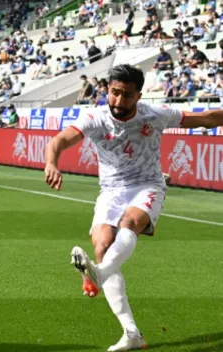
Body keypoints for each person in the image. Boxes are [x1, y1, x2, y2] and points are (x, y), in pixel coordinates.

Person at [44, 64, 223, 351]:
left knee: (129, 225)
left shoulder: (156, 114)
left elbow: (206, 118)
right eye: (114, 93)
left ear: (139, 95)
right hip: (111, 191)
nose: (118, 100)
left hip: (147, 186)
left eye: (126, 95)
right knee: (102, 245)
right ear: (107, 90)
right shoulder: (95, 118)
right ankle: (131, 333)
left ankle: (98, 275)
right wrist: (52, 162)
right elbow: (60, 140)